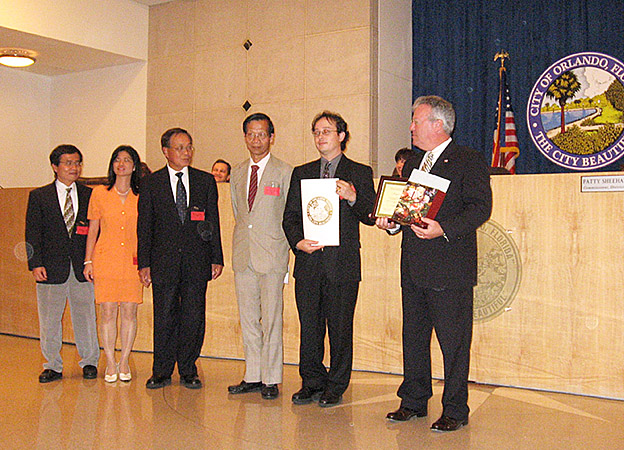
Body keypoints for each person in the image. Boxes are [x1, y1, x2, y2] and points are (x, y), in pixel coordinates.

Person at [376, 96, 492, 432]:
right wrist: (393, 222)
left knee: (453, 343)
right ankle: (413, 400)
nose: (410, 126)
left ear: (437, 125)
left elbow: (479, 208)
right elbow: (408, 209)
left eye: (416, 120)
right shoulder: (413, 163)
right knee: (413, 338)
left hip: (449, 267)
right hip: (413, 266)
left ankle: (455, 409)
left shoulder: (467, 159)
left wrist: (444, 228)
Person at [283, 111, 376, 407]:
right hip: (309, 263)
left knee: (339, 328)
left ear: (341, 136)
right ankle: (311, 381)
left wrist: (352, 196)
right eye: (316, 132)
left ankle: (335, 385)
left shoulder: (359, 172)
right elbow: (290, 217)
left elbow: (370, 215)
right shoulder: (301, 172)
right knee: (309, 326)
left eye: (326, 131)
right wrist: (298, 242)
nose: (320, 136)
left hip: (343, 265)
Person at [137, 128, 224, 390]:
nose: (186, 153)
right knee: (164, 315)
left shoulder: (204, 181)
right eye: (180, 148)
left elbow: (213, 223)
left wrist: (215, 256)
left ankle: (188, 368)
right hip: (162, 261)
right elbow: (145, 226)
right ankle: (161, 370)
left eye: (189, 147)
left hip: (197, 260)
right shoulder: (151, 183)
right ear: (165, 151)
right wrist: (144, 263)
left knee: (193, 315)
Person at [227, 113, 293, 400]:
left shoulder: (285, 172)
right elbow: (239, 213)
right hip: (244, 254)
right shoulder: (238, 172)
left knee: (272, 319)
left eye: (262, 134)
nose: (256, 140)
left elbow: (289, 216)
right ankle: (252, 375)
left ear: (272, 137)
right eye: (251, 134)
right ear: (245, 137)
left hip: (273, 255)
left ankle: (271, 378)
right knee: (249, 319)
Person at [25, 145, 100, 383]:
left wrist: (94, 261)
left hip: (82, 269)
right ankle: (52, 365)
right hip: (50, 268)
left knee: (86, 317)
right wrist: (35, 263)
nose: (74, 167)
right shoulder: (39, 196)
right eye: (68, 163)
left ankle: (89, 362)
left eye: (77, 162)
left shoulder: (90, 195)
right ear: (55, 167)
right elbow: (33, 233)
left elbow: (96, 233)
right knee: (49, 319)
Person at [83, 146, 143, 383]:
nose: (122, 164)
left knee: (129, 311)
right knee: (107, 312)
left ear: (134, 165)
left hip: (133, 261)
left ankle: (125, 360)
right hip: (105, 258)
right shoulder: (99, 193)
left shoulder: (142, 193)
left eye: (127, 160)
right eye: (117, 159)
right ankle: (109, 361)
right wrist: (88, 261)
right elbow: (92, 229)